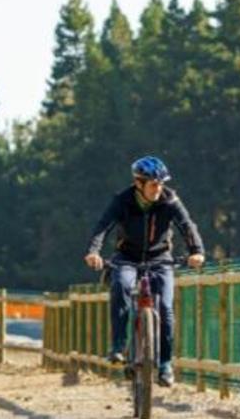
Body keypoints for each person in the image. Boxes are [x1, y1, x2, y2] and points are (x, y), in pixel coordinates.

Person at [83, 155, 205, 387]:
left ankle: (166, 364)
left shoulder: (170, 200)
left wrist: (196, 251)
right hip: (127, 257)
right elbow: (103, 226)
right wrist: (93, 251)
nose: (158, 188)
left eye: (161, 183)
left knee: (166, 308)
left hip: (161, 258)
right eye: (153, 184)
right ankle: (119, 346)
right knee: (121, 286)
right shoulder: (122, 201)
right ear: (138, 184)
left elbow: (187, 225)